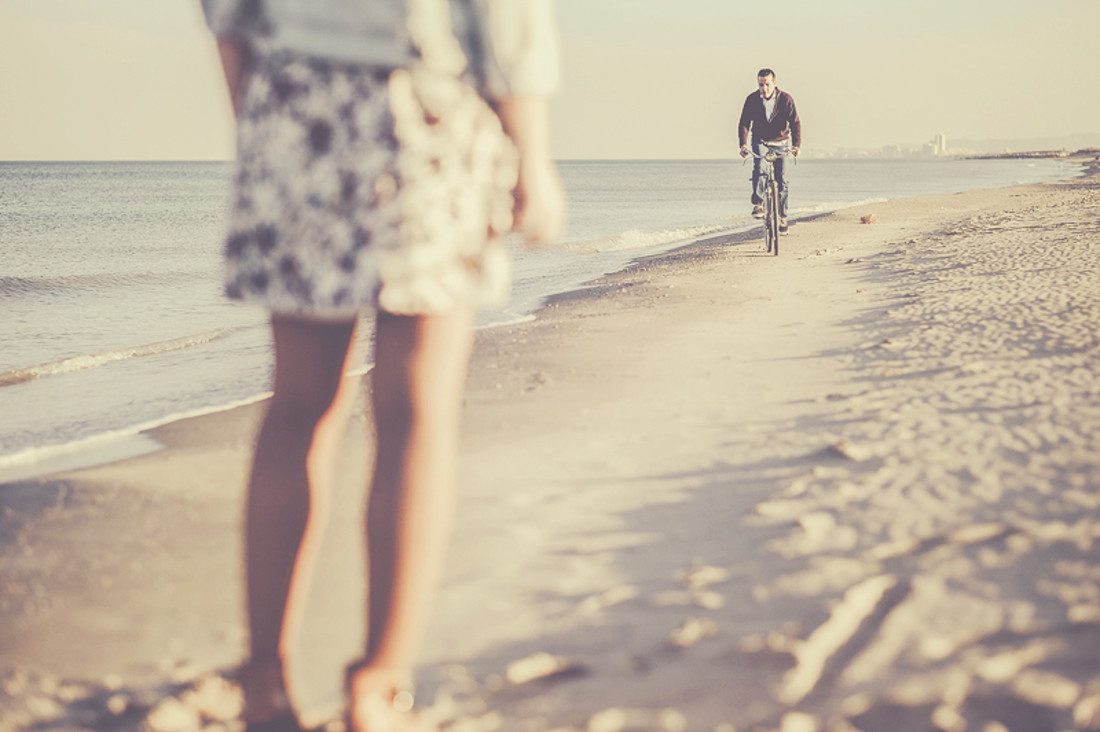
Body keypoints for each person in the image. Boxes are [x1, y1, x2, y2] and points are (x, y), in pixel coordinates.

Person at [199, 1, 566, 730]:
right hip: (424, 103)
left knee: (299, 404)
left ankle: (266, 680)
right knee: (415, 414)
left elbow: (226, 10)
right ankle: (379, 684)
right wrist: (534, 154)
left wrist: (255, 107)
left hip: (296, 99)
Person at [738, 68, 801, 233]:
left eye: (767, 84)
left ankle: (782, 216)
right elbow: (744, 123)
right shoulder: (752, 100)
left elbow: (795, 123)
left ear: (774, 83)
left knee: (783, 181)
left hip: (781, 143)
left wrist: (796, 146)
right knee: (760, 168)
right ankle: (758, 204)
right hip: (760, 141)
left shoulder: (786, 99)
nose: (764, 88)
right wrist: (743, 145)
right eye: (761, 84)